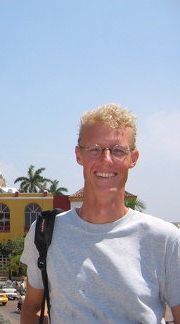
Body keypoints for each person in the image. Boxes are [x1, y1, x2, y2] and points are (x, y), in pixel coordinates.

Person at [20, 103, 180, 324]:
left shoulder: (165, 240)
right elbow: (32, 307)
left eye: (118, 150)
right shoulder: (45, 233)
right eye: (94, 149)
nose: (106, 159)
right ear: (79, 155)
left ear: (133, 158)